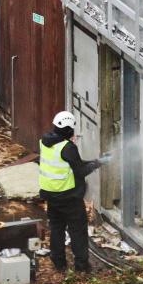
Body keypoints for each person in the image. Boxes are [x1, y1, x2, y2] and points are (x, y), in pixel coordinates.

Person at [39, 110, 108, 273]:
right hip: (68, 197)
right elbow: (80, 171)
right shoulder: (67, 147)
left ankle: (59, 263)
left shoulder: (44, 141)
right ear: (68, 128)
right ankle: (82, 266)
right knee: (78, 232)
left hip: (51, 195)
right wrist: (100, 162)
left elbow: (71, 164)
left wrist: (95, 161)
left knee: (57, 229)